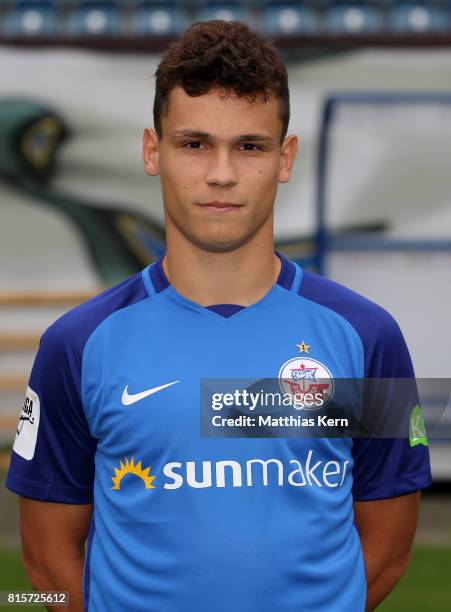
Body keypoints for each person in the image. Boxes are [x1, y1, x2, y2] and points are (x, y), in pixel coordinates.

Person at [5, 19, 432, 612]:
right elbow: (46, 562)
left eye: (249, 147)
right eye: (194, 143)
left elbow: (387, 548)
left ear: (286, 158)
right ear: (153, 152)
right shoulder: (76, 345)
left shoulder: (369, 337)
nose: (222, 174)